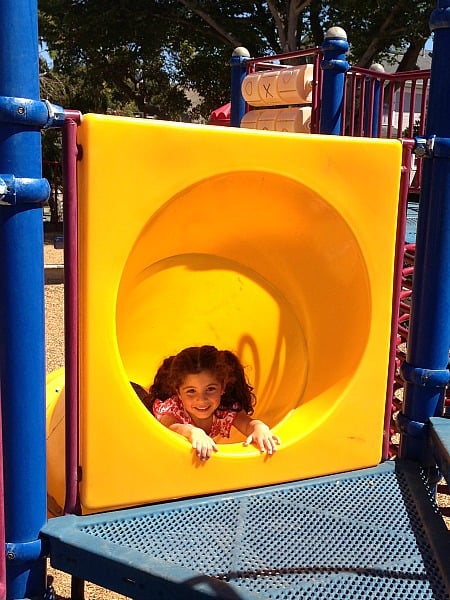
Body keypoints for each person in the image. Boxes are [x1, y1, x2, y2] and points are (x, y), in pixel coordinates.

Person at [145, 345, 280, 461]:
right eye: (191, 391)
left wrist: (259, 428)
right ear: (178, 393)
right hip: (143, 412)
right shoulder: (173, 409)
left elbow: (247, 423)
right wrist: (193, 432)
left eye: (210, 389)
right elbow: (170, 427)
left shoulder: (224, 410)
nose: (202, 399)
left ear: (222, 387)